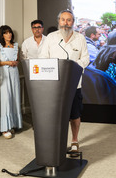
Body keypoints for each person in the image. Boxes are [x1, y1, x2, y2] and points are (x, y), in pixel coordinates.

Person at [39, 9, 89, 156]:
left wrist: (72, 67)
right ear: (58, 21)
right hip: (55, 84)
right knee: (57, 115)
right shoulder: (51, 38)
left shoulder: (80, 38)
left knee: (74, 114)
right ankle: (57, 142)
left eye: (69, 20)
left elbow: (86, 59)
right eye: (63, 20)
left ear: (73, 22)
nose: (65, 23)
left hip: (74, 84)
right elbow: (43, 57)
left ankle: (74, 141)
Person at [0, 25, 22, 139]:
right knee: (4, 99)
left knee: (13, 98)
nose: (8, 35)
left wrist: (15, 63)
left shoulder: (15, 46)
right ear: (2, 35)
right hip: (3, 75)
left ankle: (11, 124)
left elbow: (17, 60)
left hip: (14, 74)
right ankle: (4, 128)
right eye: (6, 33)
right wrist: (7, 63)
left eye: (10, 32)